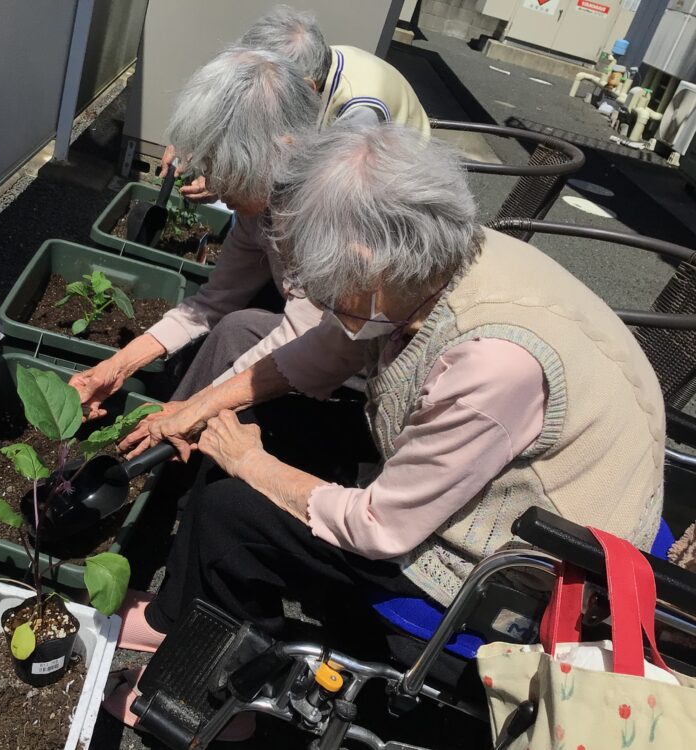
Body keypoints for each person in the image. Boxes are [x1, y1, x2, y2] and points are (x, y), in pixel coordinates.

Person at [105, 123, 665, 728]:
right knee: (258, 423)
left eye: (331, 290)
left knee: (232, 511)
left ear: (375, 267)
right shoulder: (437, 255)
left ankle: (216, 702)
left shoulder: (495, 362)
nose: (322, 303)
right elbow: (327, 350)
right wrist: (203, 405)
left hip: (523, 563)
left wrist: (252, 464)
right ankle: (178, 618)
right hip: (475, 470)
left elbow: (382, 527)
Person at [70, 45, 325, 414]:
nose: (213, 184)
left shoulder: (317, 217)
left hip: (364, 358)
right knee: (237, 326)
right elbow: (212, 301)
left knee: (239, 331)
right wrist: (116, 367)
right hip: (312, 332)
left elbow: (309, 341)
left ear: (280, 152)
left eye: (225, 166)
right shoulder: (260, 208)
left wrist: (195, 409)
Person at [162, 5, 430, 203]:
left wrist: (231, 185)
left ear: (304, 88)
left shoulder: (358, 113)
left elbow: (316, 191)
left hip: (390, 184)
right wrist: (193, 141)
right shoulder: (311, 61)